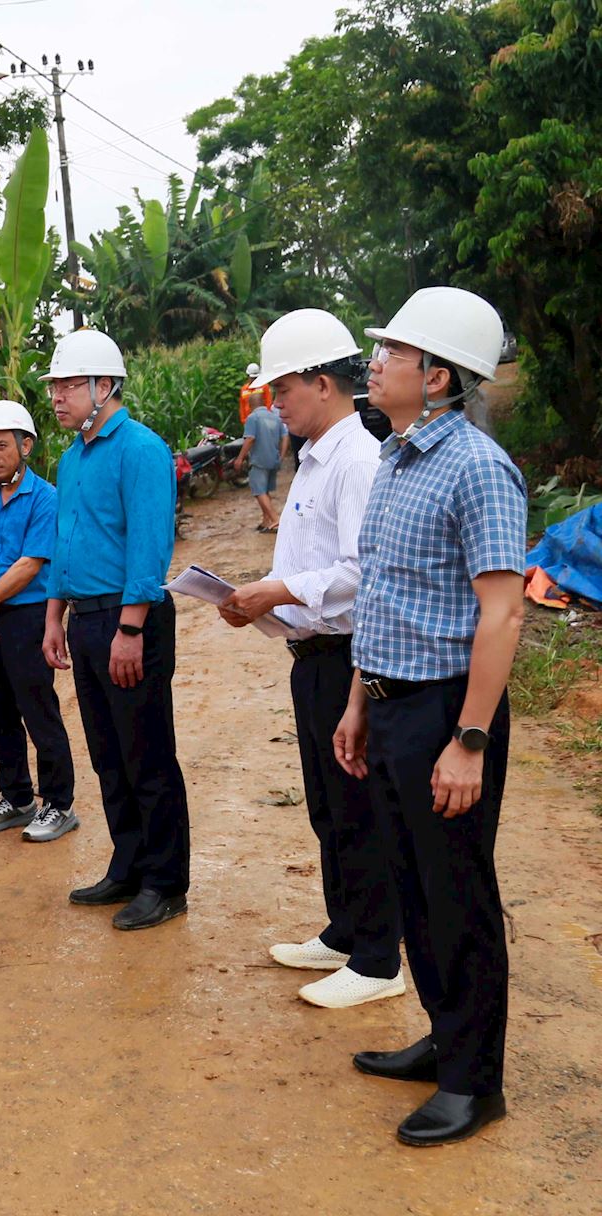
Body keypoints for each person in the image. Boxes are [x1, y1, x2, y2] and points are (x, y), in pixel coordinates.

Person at [334, 286, 526, 1147]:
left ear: (436, 374)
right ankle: (445, 1037)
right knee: (414, 885)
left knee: (457, 895)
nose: (372, 364)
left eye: (390, 353)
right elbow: (381, 592)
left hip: (450, 712)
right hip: (393, 705)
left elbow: (503, 613)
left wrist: (469, 741)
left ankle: (473, 1082)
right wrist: (357, 701)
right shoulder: (398, 457)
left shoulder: (477, 468)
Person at [217, 311, 405, 1010]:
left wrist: (278, 590)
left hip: (348, 658)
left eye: (283, 389)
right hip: (312, 657)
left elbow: (363, 570)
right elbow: (306, 568)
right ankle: (345, 930)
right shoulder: (315, 456)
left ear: (322, 383)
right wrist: (258, 607)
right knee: (328, 805)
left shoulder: (355, 460)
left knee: (356, 805)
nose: (275, 403)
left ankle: (379, 957)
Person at [39, 331, 192, 931]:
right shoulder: (72, 457)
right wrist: (55, 616)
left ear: (105, 387)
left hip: (130, 619)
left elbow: (150, 547)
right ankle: (127, 865)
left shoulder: (140, 450)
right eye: (53, 385)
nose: (56, 395)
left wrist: (131, 628)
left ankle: (165, 882)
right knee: (108, 753)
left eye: (69, 384)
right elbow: (63, 544)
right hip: (85, 617)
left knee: (146, 753)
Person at [0, 400, 78, 842]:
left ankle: (59, 804)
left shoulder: (46, 498)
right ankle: (17, 797)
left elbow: (30, 564)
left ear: (25, 445)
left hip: (25, 617)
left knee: (37, 708)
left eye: (0, 446)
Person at [233, 395, 289, 532]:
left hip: (259, 460)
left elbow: (250, 438)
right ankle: (266, 521)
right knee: (266, 491)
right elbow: (285, 437)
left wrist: (240, 458)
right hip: (273, 460)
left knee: (259, 491)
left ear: (250, 405)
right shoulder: (275, 418)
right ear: (264, 403)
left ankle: (276, 519)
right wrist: (281, 456)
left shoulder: (253, 418)